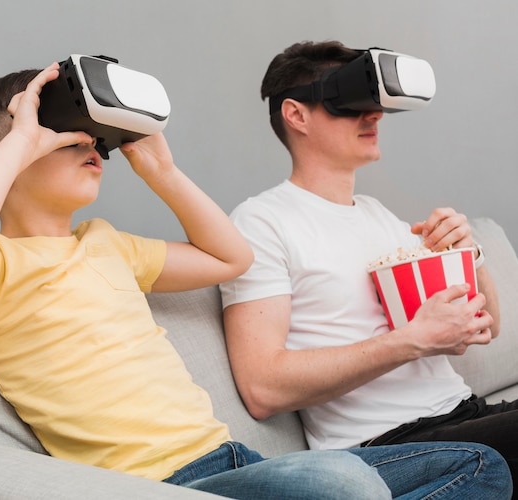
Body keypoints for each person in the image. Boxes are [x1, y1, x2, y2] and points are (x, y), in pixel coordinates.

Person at [0, 61, 511, 499]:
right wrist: (21, 139)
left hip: (235, 464)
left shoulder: (105, 244)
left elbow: (231, 259)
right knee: (342, 479)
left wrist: (164, 172)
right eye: (65, 136)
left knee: (482, 465)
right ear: (4, 156)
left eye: (95, 141)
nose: (94, 147)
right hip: (159, 485)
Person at [220, 39, 516, 496]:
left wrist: (470, 255)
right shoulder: (261, 222)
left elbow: (487, 326)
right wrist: (411, 340)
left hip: (463, 413)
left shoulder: (381, 215)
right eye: (350, 103)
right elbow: (263, 388)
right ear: (296, 115)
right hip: (389, 443)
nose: (373, 115)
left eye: (375, 103)